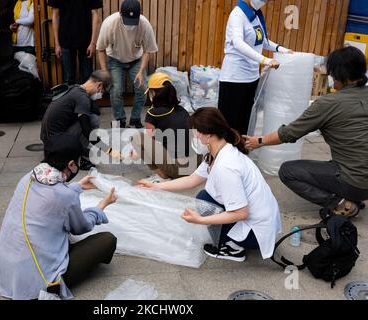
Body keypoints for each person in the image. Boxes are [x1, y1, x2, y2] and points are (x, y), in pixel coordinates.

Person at [139, 108, 282, 262]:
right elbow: (192, 179)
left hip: (254, 234)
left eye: (196, 133)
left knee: (205, 201)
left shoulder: (226, 167)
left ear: (208, 135)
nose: (194, 137)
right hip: (262, 222)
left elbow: (241, 213)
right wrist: (156, 186)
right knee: (204, 197)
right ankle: (230, 236)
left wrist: (200, 220)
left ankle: (233, 249)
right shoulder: (220, 151)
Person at [244, 46, 368, 218]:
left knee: (288, 171)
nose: (330, 77)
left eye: (331, 74)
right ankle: (353, 193)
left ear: (340, 75)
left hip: (355, 181)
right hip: (360, 176)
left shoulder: (329, 103)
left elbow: (289, 133)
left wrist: (259, 141)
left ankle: (341, 203)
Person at [0, 133, 117, 300]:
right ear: (71, 164)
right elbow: (82, 227)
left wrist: (77, 187)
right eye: (79, 161)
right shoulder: (65, 196)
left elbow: (51, 199)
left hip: (5, 270)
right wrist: (103, 205)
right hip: (39, 282)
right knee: (107, 240)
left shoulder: (28, 177)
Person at [219, 0, 293, 135]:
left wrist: (281, 49)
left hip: (251, 77)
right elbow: (237, 42)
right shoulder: (237, 15)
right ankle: (225, 153)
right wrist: (264, 60)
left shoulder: (255, 15)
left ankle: (240, 151)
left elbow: (262, 40)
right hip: (235, 78)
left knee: (244, 121)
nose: (263, 2)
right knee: (230, 123)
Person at [97, 0, 158, 129]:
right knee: (116, 90)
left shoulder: (145, 24)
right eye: (127, 21)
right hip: (115, 60)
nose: (130, 26)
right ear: (120, 14)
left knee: (142, 87)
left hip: (136, 60)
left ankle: (135, 119)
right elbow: (100, 49)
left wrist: (141, 71)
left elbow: (148, 50)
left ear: (139, 14)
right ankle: (120, 120)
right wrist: (104, 72)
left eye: (133, 21)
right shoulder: (109, 24)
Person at [130, 73, 201, 183]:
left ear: (152, 93)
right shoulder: (182, 110)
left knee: (137, 138)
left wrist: (137, 153)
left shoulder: (153, 114)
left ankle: (163, 176)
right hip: (196, 165)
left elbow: (150, 141)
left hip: (179, 168)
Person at [41, 70, 118, 171]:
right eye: (102, 92)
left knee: (89, 120)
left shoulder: (75, 88)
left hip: (48, 140)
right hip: (55, 144)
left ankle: (80, 151)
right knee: (92, 119)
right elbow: (87, 132)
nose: (100, 95)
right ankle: (82, 160)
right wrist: (109, 151)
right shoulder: (82, 98)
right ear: (99, 85)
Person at [48, 0, 103, 84]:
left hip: (86, 41)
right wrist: (57, 44)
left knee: (87, 79)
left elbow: (95, 15)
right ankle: (71, 97)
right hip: (65, 40)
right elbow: (55, 15)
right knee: (68, 79)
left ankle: (85, 97)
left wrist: (93, 43)